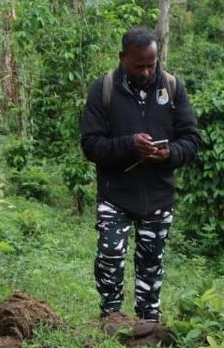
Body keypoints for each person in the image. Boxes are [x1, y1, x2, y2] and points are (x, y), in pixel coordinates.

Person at [80, 28, 201, 322]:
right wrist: (129, 145)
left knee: (151, 262)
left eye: (152, 64)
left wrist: (170, 153)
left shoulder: (172, 87)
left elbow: (192, 139)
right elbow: (90, 144)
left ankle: (149, 321)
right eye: (139, 65)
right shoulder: (103, 89)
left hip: (158, 194)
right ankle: (111, 316)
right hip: (115, 194)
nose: (147, 71)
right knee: (110, 257)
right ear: (123, 58)